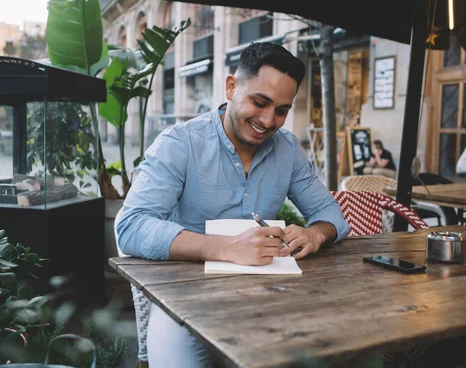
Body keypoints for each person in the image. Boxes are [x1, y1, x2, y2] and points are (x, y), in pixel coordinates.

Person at [117, 41, 350, 368]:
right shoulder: (180, 143)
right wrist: (224, 247)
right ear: (231, 87)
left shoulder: (288, 149)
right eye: (260, 102)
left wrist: (316, 235)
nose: (269, 120)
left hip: (267, 293)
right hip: (184, 295)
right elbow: (130, 227)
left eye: (281, 110)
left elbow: (332, 216)